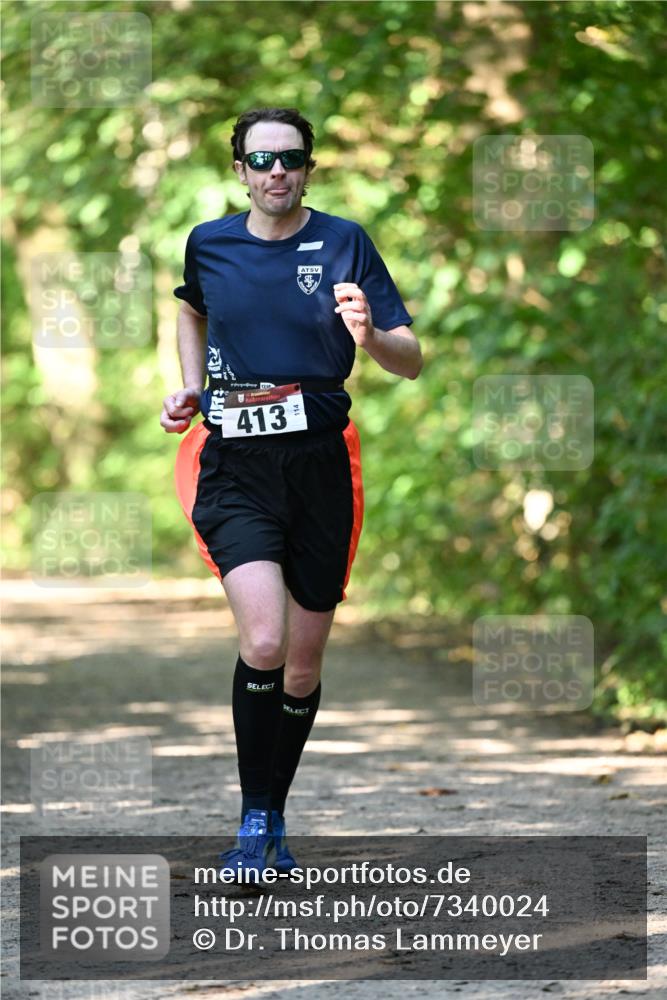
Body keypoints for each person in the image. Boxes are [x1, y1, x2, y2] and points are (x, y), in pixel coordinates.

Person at [161, 107, 422, 878]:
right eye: (261, 159)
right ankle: (251, 824)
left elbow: (409, 359)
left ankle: (273, 814)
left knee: (302, 667)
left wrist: (369, 335)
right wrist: (190, 388)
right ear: (238, 169)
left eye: (291, 158)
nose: (276, 171)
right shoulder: (209, 243)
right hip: (235, 462)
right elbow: (190, 309)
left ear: (308, 167)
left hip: (319, 464)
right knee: (265, 642)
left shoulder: (345, 241)